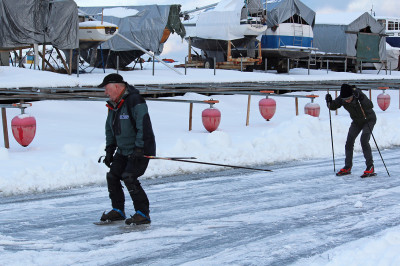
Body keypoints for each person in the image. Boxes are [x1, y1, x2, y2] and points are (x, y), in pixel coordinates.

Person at [98, 73, 156, 224]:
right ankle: (118, 210)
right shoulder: (113, 104)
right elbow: (109, 129)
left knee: (129, 177)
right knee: (112, 176)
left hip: (140, 149)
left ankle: (143, 213)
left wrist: (139, 149)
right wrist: (110, 150)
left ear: (117, 87)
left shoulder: (135, 101)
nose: (105, 92)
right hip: (123, 150)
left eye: (107, 89)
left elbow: (143, 127)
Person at [325, 84, 377, 177]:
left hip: (368, 119)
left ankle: (370, 166)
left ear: (352, 95)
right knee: (349, 141)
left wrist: (361, 98)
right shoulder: (343, 98)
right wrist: (329, 101)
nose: (347, 101)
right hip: (357, 121)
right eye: (345, 100)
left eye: (349, 99)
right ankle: (347, 166)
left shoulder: (358, 94)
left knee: (364, 140)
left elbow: (370, 105)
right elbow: (333, 106)